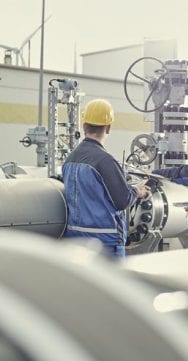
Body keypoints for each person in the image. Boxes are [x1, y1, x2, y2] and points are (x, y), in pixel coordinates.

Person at [62, 99, 149, 257]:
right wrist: (138, 191)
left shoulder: (70, 159)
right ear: (108, 127)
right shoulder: (104, 161)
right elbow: (122, 201)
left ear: (84, 126)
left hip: (75, 240)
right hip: (104, 242)